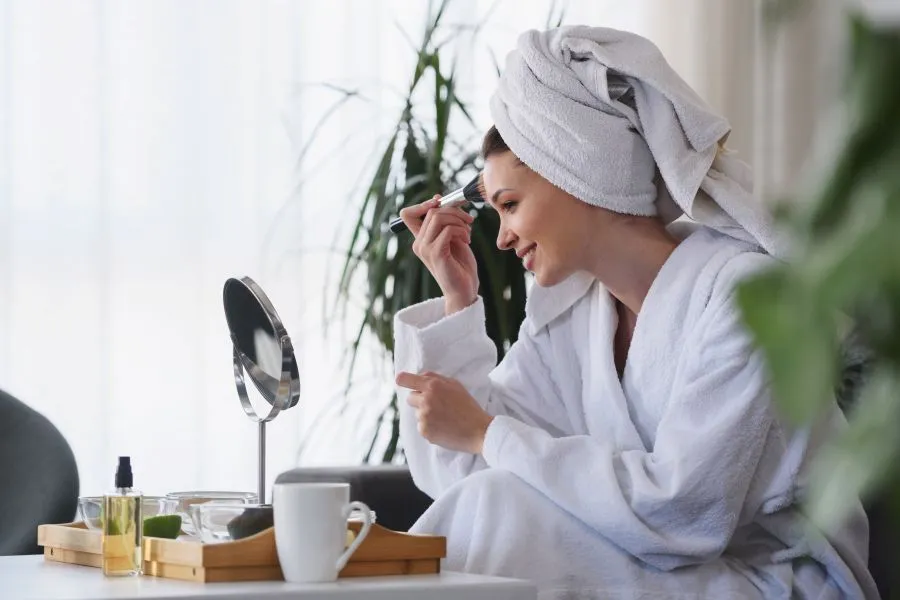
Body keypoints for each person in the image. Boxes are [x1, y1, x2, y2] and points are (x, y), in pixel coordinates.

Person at [393, 25, 877, 599]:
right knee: (493, 504)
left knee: (502, 513)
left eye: (511, 205)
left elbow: (683, 515)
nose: (500, 239)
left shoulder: (745, 295)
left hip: (776, 579)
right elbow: (464, 473)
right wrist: (458, 301)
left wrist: (490, 434)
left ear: (578, 170)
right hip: (670, 570)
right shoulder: (574, 317)